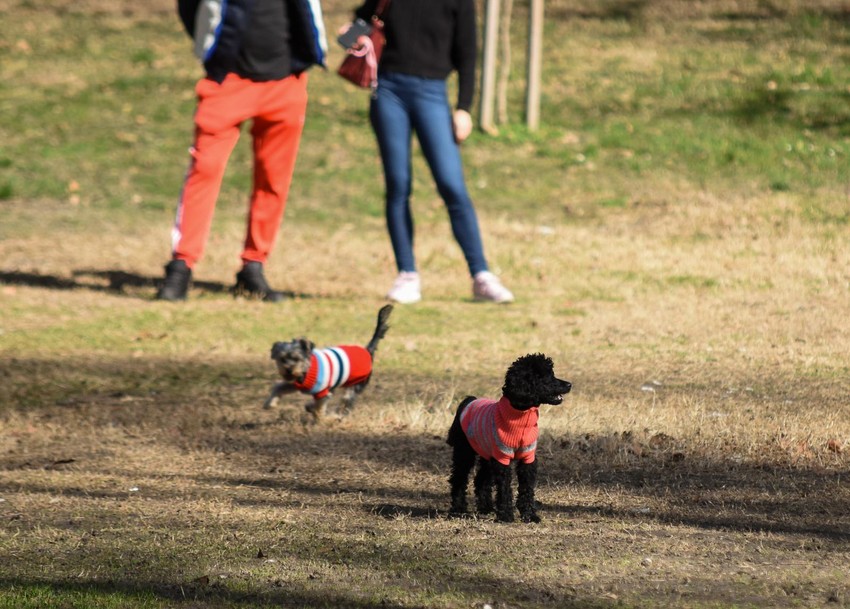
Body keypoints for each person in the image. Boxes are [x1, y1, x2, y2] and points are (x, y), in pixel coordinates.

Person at [156, 0, 328, 302]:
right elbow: (189, 7)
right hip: (228, 81)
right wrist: (210, 48)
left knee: (273, 180)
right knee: (204, 170)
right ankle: (181, 265)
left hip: (286, 80)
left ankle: (253, 267)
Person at [346, 0, 514, 304]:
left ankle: (481, 275)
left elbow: (467, 55)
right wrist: (350, 37)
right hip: (388, 91)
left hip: (432, 93)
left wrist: (463, 108)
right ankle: (407, 275)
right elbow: (363, 17)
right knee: (398, 183)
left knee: (452, 185)